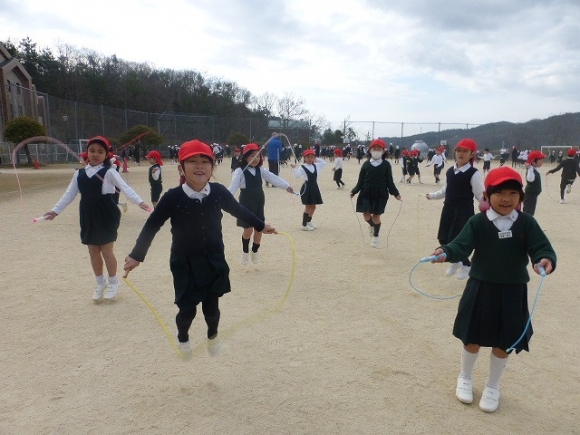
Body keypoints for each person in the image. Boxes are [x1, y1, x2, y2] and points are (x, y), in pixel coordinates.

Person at [123, 140, 276, 360]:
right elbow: (152, 225)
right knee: (187, 311)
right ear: (181, 168)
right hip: (184, 263)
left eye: (205, 161)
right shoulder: (172, 197)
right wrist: (137, 255)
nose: (199, 166)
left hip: (214, 259)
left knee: (212, 309)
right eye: (192, 162)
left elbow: (239, 211)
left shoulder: (219, 192)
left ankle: (212, 335)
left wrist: (261, 225)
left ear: (212, 168)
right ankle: (183, 335)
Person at [426, 166, 556, 413]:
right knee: (472, 337)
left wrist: (545, 260)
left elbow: (542, 248)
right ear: (487, 195)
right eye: (500, 193)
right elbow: (460, 245)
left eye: (513, 193)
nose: (506, 199)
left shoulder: (527, 223)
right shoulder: (477, 222)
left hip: (513, 291)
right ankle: (465, 377)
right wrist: (446, 252)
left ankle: (493, 386)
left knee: (504, 342)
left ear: (520, 197)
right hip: (480, 287)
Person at [42, 136, 150, 301]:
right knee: (93, 251)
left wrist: (140, 202)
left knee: (106, 251)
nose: (95, 154)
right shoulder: (79, 174)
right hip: (88, 214)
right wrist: (55, 211)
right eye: (92, 151)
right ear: (87, 152)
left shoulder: (110, 172)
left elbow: (125, 188)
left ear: (106, 154)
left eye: (100, 151)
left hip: (106, 215)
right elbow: (69, 195)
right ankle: (100, 282)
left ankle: (113, 282)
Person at [426, 138, 485, 280]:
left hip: (464, 211)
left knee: (459, 240)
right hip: (448, 209)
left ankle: (467, 265)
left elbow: (480, 195)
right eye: (458, 150)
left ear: (472, 154)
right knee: (443, 238)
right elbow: (446, 190)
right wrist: (433, 196)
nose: (461, 153)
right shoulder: (450, 171)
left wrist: (489, 210)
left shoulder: (473, 173)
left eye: (465, 151)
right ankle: (456, 261)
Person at [228, 143, 294, 265]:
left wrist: (286, 186)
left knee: (259, 229)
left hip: (258, 202)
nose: (255, 159)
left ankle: (255, 251)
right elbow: (232, 187)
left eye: (258, 156)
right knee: (248, 230)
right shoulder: (239, 171)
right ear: (246, 156)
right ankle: (245, 252)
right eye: (252, 156)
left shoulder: (260, 170)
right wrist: (223, 200)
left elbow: (273, 178)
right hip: (246, 203)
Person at [350, 139, 401, 248]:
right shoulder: (366, 164)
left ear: (383, 151)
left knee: (376, 216)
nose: (376, 151)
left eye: (379, 149)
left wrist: (395, 193)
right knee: (366, 215)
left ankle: (376, 236)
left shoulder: (386, 165)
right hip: (366, 192)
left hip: (380, 193)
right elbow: (360, 181)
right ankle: (372, 227)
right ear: (370, 150)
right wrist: (354, 191)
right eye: (374, 149)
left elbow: (389, 181)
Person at [291, 148, 326, 231]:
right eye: (308, 157)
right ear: (304, 158)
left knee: (313, 207)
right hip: (307, 188)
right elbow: (297, 176)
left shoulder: (316, 165)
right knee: (308, 206)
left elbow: (324, 163)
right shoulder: (302, 167)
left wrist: (315, 158)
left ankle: (308, 221)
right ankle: (304, 224)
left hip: (314, 187)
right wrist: (295, 168)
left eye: (312, 157)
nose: (310, 159)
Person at [522, 150, 546, 215]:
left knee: (531, 211)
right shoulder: (531, 170)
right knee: (528, 211)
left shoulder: (534, 169)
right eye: (540, 160)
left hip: (533, 195)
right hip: (530, 195)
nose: (542, 162)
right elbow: (530, 179)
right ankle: (526, 223)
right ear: (533, 161)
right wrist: (529, 168)